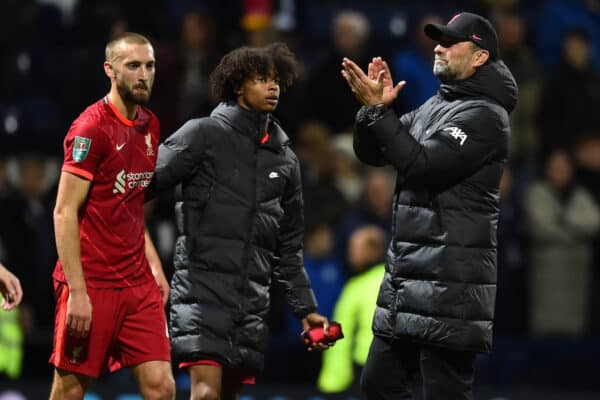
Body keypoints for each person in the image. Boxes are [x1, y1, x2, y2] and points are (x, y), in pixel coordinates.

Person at [341, 12, 518, 399]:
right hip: (408, 281)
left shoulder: (486, 117)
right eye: (439, 39)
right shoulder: (435, 105)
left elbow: (420, 166)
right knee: (378, 385)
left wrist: (378, 114)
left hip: (451, 285)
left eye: (451, 42)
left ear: (479, 57)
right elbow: (373, 153)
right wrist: (373, 110)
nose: (438, 46)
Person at [148, 42, 331, 400]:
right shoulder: (201, 134)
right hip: (200, 293)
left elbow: (289, 248)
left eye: (276, 79)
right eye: (261, 79)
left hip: (250, 302)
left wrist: (306, 310)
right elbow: (140, 186)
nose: (272, 87)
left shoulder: (286, 160)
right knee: (205, 394)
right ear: (237, 86)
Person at [48, 32, 174, 400]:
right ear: (110, 70)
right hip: (92, 281)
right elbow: (64, 211)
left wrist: (154, 265)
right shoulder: (90, 129)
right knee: (70, 390)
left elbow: (131, 205)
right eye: (133, 65)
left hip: (137, 284)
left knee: (162, 388)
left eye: (149, 66)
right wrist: (79, 292)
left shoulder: (150, 125)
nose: (143, 75)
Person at [318, 225, 386, 394]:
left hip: (361, 369)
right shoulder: (394, 281)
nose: (351, 253)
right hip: (393, 367)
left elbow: (341, 334)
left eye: (357, 247)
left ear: (374, 250)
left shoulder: (356, 287)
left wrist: (333, 381)